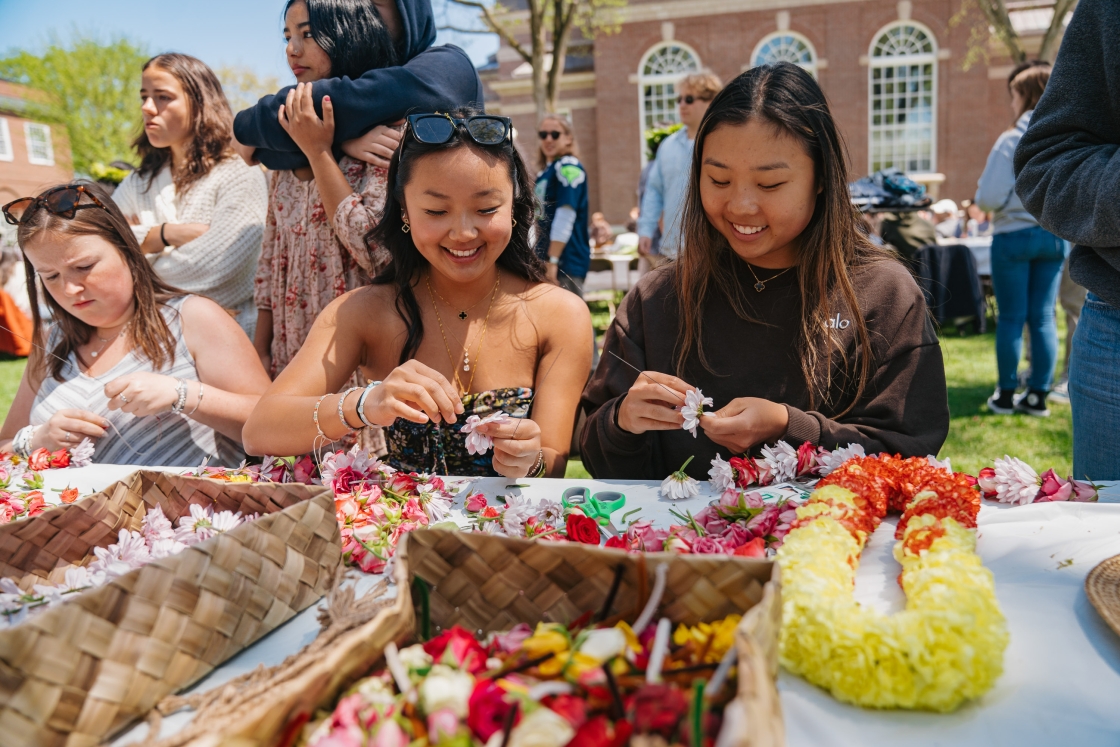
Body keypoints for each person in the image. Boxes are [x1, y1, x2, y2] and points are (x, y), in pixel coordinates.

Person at [579, 63, 949, 480]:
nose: (740, 206)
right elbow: (598, 454)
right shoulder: (657, 298)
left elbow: (912, 453)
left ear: (822, 178)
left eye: (770, 185)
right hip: (680, 541)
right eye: (718, 180)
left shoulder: (883, 293)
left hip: (832, 538)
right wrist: (623, 421)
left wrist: (790, 427)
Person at [242, 111, 593, 478]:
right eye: (436, 211)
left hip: (511, 533)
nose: (463, 232)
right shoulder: (365, 311)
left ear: (515, 209)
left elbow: (552, 459)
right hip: (402, 533)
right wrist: (365, 403)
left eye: (486, 208)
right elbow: (261, 431)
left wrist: (531, 460)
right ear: (404, 211)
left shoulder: (560, 314)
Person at [0, 183, 271, 466]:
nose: (69, 289)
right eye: (50, 276)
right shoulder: (52, 339)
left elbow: (274, 428)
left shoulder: (191, 318)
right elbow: (4, 446)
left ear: (126, 249)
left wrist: (184, 395)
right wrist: (34, 441)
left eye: (84, 267)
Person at [254, 0, 397, 379]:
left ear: (349, 34)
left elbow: (375, 251)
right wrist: (260, 352)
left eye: (308, 34)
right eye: (287, 36)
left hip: (357, 358)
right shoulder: (284, 139)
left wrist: (320, 152)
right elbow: (271, 257)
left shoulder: (389, 135)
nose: (292, 49)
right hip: (290, 355)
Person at [1015, 0, 1120, 479]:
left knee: (1025, 317)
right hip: (1111, 312)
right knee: (1041, 316)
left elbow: (992, 192)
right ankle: (1038, 388)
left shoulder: (1001, 139)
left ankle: (1030, 388)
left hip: (1019, 240)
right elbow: (1046, 161)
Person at [112, 53, 268, 337]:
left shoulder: (239, 172)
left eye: (162, 97)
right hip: (153, 338)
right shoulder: (138, 182)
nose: (147, 108)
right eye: (144, 96)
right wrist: (165, 234)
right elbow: (104, 248)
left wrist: (140, 256)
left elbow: (220, 264)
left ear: (199, 103)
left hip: (231, 339)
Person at [232, 0, 483, 173]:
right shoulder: (350, 77)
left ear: (409, 11)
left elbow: (345, 101)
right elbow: (274, 153)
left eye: (373, 3)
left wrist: (248, 122)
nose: (358, 10)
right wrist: (342, 144)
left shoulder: (449, 66)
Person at [976, 65, 1064, 418]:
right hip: (1054, 236)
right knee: (1044, 316)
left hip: (1013, 236)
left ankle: (1007, 393)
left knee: (1011, 317)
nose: (1010, 102)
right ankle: (1038, 395)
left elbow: (988, 198)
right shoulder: (1061, 136)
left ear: (1025, 95)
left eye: (1013, 94)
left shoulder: (1012, 139)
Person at [638, 72, 722, 265]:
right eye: (679, 99)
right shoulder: (667, 146)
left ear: (711, 101)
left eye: (689, 99)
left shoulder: (724, 144)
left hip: (714, 252)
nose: (682, 104)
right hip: (673, 252)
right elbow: (654, 191)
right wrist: (645, 230)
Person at [534, 114, 590, 297]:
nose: (548, 139)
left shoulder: (568, 167)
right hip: (547, 259)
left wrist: (553, 260)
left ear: (568, 138)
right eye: (543, 134)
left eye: (555, 134)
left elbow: (565, 215)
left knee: (570, 321)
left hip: (565, 262)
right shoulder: (547, 171)